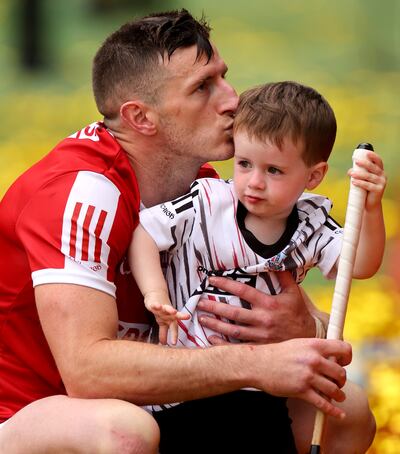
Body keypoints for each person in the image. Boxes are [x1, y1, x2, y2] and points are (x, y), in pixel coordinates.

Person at [0, 9, 373, 454]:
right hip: (31, 414)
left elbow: (321, 336)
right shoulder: (81, 191)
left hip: (158, 403)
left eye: (223, 77)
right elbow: (87, 373)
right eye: (203, 88)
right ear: (141, 117)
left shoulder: (211, 188)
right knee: (123, 433)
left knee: (345, 410)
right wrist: (253, 364)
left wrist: (299, 326)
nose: (232, 99)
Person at [130, 81, 386, 349]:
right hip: (188, 365)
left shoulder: (312, 225)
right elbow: (144, 232)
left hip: (266, 375)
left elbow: (359, 265)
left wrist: (370, 208)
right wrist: (156, 294)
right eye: (244, 164)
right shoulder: (207, 202)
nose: (254, 182)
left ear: (313, 176)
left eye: (273, 170)